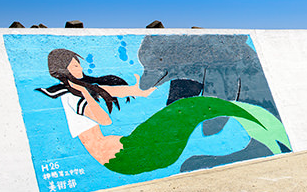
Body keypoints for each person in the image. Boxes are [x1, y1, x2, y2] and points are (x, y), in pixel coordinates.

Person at [37, 48, 291, 175]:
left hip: (129, 146)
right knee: (187, 108)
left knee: (188, 109)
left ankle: (259, 122)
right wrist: (88, 95)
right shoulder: (71, 97)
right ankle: (257, 119)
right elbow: (103, 119)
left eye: (79, 63)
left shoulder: (84, 88)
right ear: (62, 70)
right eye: (74, 65)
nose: (79, 68)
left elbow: (116, 91)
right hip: (124, 159)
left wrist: (140, 90)